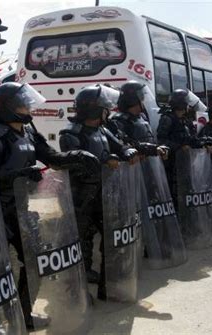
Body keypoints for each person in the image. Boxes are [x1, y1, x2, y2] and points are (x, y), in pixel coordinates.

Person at [0, 82, 100, 329]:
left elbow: (52, 159)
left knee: (34, 262)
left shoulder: (28, 130)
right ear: (10, 106)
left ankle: (24, 314)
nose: (28, 106)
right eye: (23, 102)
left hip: (22, 210)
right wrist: (19, 174)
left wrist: (77, 156)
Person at [59, 84, 137, 299]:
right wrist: (104, 160)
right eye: (104, 108)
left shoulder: (102, 130)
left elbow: (119, 146)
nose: (108, 112)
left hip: (105, 194)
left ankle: (107, 285)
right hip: (82, 197)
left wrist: (127, 151)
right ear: (94, 109)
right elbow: (76, 162)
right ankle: (79, 294)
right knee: (82, 243)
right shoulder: (70, 133)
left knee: (110, 239)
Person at [156, 89, 212, 203]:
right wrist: (178, 147)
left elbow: (192, 139)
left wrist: (204, 144)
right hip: (172, 163)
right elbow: (161, 140)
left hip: (186, 162)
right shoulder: (167, 119)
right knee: (173, 191)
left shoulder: (186, 120)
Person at [107, 80, 167, 158]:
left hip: (151, 163)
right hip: (135, 167)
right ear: (133, 99)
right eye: (141, 96)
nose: (143, 100)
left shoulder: (142, 116)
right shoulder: (120, 120)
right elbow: (125, 144)